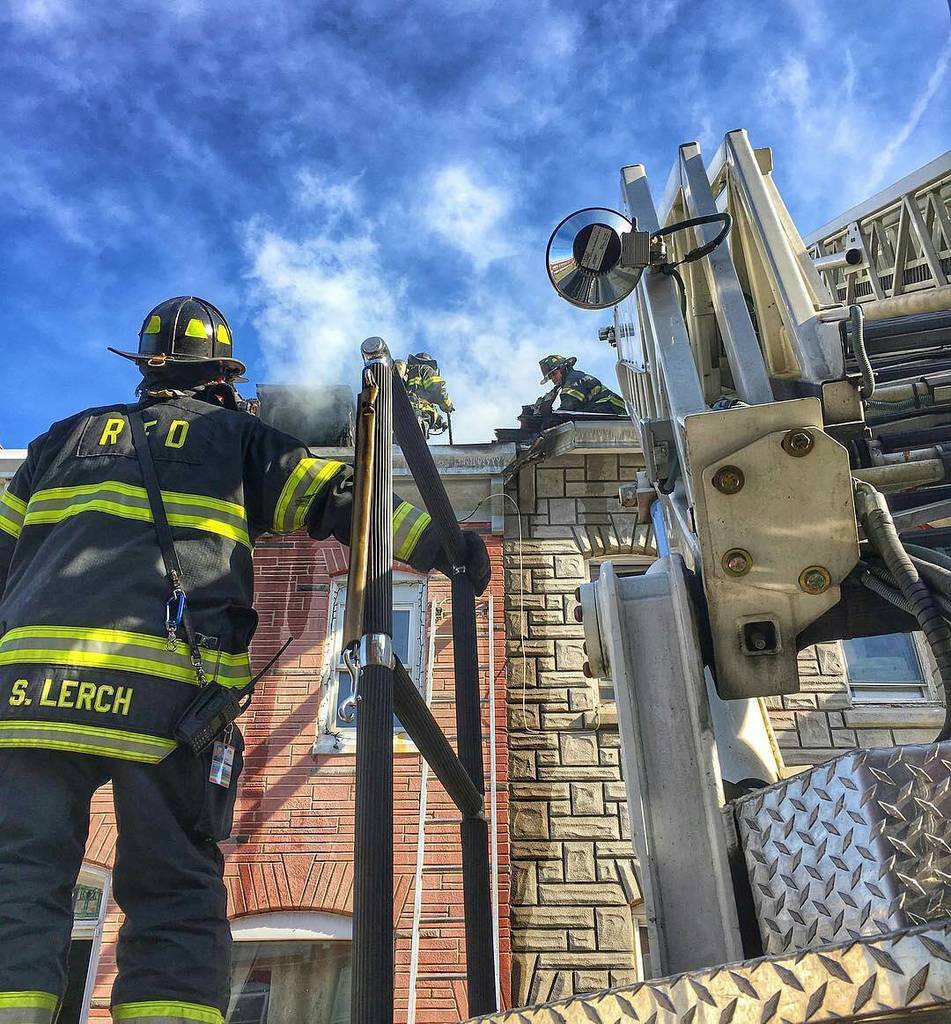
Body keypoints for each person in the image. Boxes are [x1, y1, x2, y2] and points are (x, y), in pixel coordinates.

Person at [0, 296, 490, 1024]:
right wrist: (449, 550)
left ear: (146, 373)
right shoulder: (237, 438)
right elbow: (343, 502)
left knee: (18, 879)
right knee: (171, 886)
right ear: (224, 380)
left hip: (28, 699)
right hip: (163, 700)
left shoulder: (56, 443)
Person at [536, 354, 627, 415]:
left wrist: (551, 416)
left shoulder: (573, 380)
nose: (553, 379)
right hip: (608, 408)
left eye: (554, 374)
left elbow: (568, 407)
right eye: (550, 377)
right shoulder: (573, 377)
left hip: (608, 407)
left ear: (563, 368)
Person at [404, 352, 454, 437]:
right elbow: (437, 390)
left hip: (399, 409)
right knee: (415, 441)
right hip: (419, 412)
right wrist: (448, 405)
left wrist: (440, 422)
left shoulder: (406, 373)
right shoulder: (426, 369)